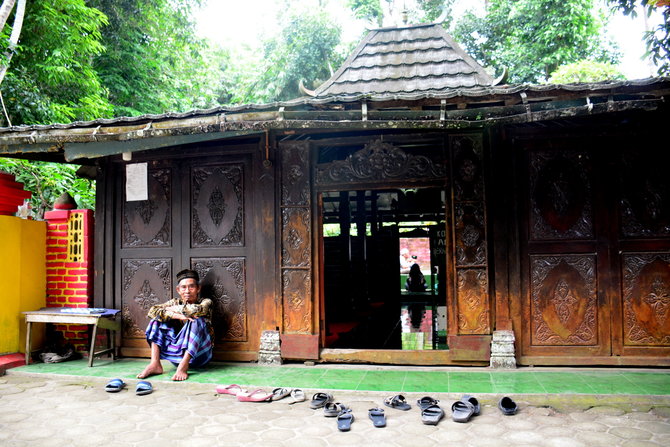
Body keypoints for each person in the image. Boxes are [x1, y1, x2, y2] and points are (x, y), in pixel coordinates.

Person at [137, 269, 213, 381]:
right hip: (176, 357)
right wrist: (179, 316)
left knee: (196, 320)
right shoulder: (175, 302)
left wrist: (172, 310)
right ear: (178, 290)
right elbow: (152, 311)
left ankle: (184, 366)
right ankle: (155, 364)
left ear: (198, 288)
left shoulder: (205, 302)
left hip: (200, 356)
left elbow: (198, 309)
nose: (187, 291)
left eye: (191, 287)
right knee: (156, 320)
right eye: (183, 287)